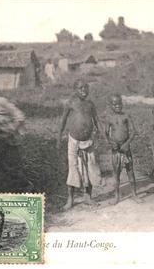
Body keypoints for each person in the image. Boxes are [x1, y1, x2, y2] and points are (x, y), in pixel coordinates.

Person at [0, 78, 33, 192]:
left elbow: (20, 116)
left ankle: (26, 187)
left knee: (13, 165)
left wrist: (12, 130)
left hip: (10, 137)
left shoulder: (1, 101)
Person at [57, 79, 101, 211]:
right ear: (75, 90)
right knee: (73, 168)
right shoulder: (71, 103)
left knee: (91, 167)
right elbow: (63, 120)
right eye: (80, 88)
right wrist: (58, 138)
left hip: (88, 141)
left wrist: (100, 133)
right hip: (74, 141)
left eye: (86, 87)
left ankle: (88, 197)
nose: (84, 90)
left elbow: (96, 119)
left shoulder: (90, 104)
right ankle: (70, 199)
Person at [103, 94, 143, 205]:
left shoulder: (126, 116)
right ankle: (116, 196)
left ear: (122, 103)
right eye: (114, 104)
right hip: (116, 150)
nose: (117, 106)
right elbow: (106, 133)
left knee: (130, 172)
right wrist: (111, 143)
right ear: (110, 105)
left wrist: (127, 143)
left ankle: (134, 194)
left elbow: (133, 131)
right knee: (116, 174)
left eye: (119, 103)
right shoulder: (109, 118)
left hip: (126, 149)